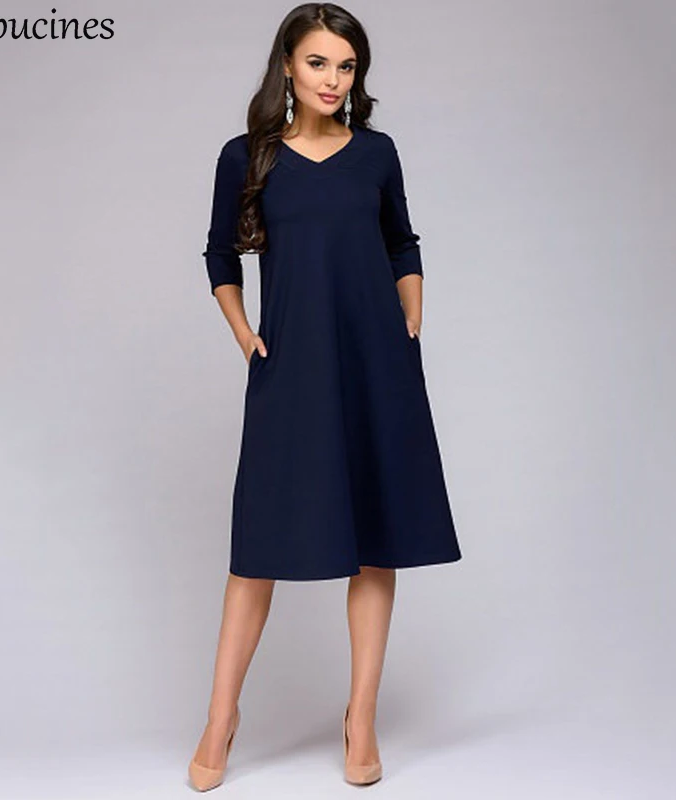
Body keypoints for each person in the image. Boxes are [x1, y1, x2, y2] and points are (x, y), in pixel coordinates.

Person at [188, 3, 462, 791]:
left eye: (346, 67)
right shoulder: (248, 156)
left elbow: (401, 240)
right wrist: (245, 334)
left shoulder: (376, 153)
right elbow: (219, 253)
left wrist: (412, 313)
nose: (333, 80)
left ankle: (361, 716)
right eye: (318, 63)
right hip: (294, 363)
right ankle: (220, 718)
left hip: (378, 360)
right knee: (258, 548)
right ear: (287, 65)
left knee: (376, 538)